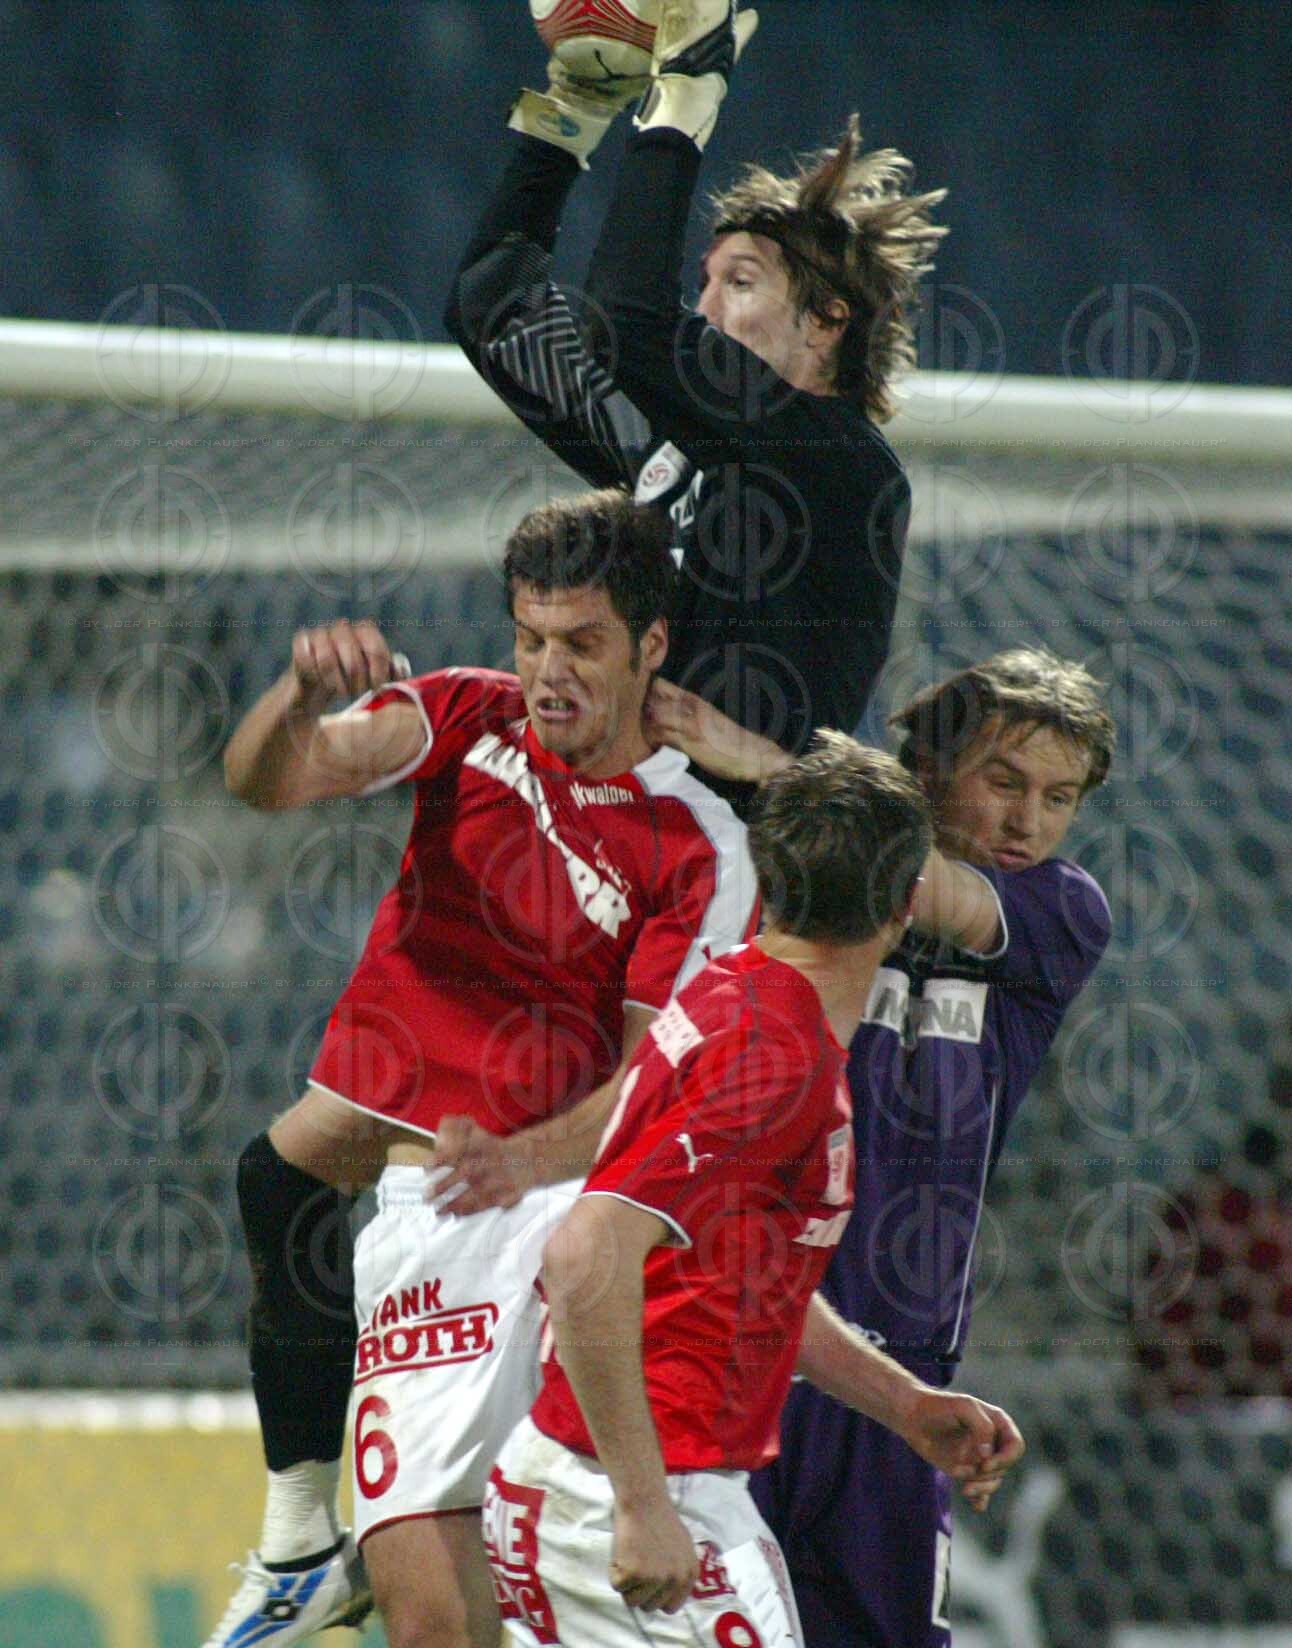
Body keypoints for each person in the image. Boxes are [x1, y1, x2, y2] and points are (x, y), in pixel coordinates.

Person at [202, 489, 756, 1648]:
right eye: (531, 638)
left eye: (582, 643)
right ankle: (300, 1545)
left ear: (651, 645)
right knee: (429, 1625)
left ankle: (306, 1544)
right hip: (429, 1215)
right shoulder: (466, 713)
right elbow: (266, 780)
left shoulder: (696, 839)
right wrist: (299, 698)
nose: (548, 672)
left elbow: (648, 1089)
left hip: (569, 1231)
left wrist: (523, 1160)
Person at [483, 733, 1026, 1646]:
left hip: (605, 1486)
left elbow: (747, 1275)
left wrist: (904, 1406)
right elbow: (583, 1253)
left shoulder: (739, 991)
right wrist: (642, 1504)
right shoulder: (776, 1060)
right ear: (907, 906)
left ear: (768, 886)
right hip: (631, 1497)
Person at [643, 648, 1116, 1647]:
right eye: (1003, 782)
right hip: (737, 1354)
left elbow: (906, 875)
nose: (1028, 822)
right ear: (931, 771)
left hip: (897, 1380)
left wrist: (762, 762)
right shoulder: (795, 891)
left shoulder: (1062, 914)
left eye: (1058, 797)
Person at [444, 0, 947, 801]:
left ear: (826, 323)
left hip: (761, 858)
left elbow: (626, 320)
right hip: (640, 842)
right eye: (702, 280)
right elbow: (492, 308)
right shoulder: (670, 449)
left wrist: (681, 101)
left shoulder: (842, 464)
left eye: (739, 282)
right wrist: (572, 113)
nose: (704, 307)